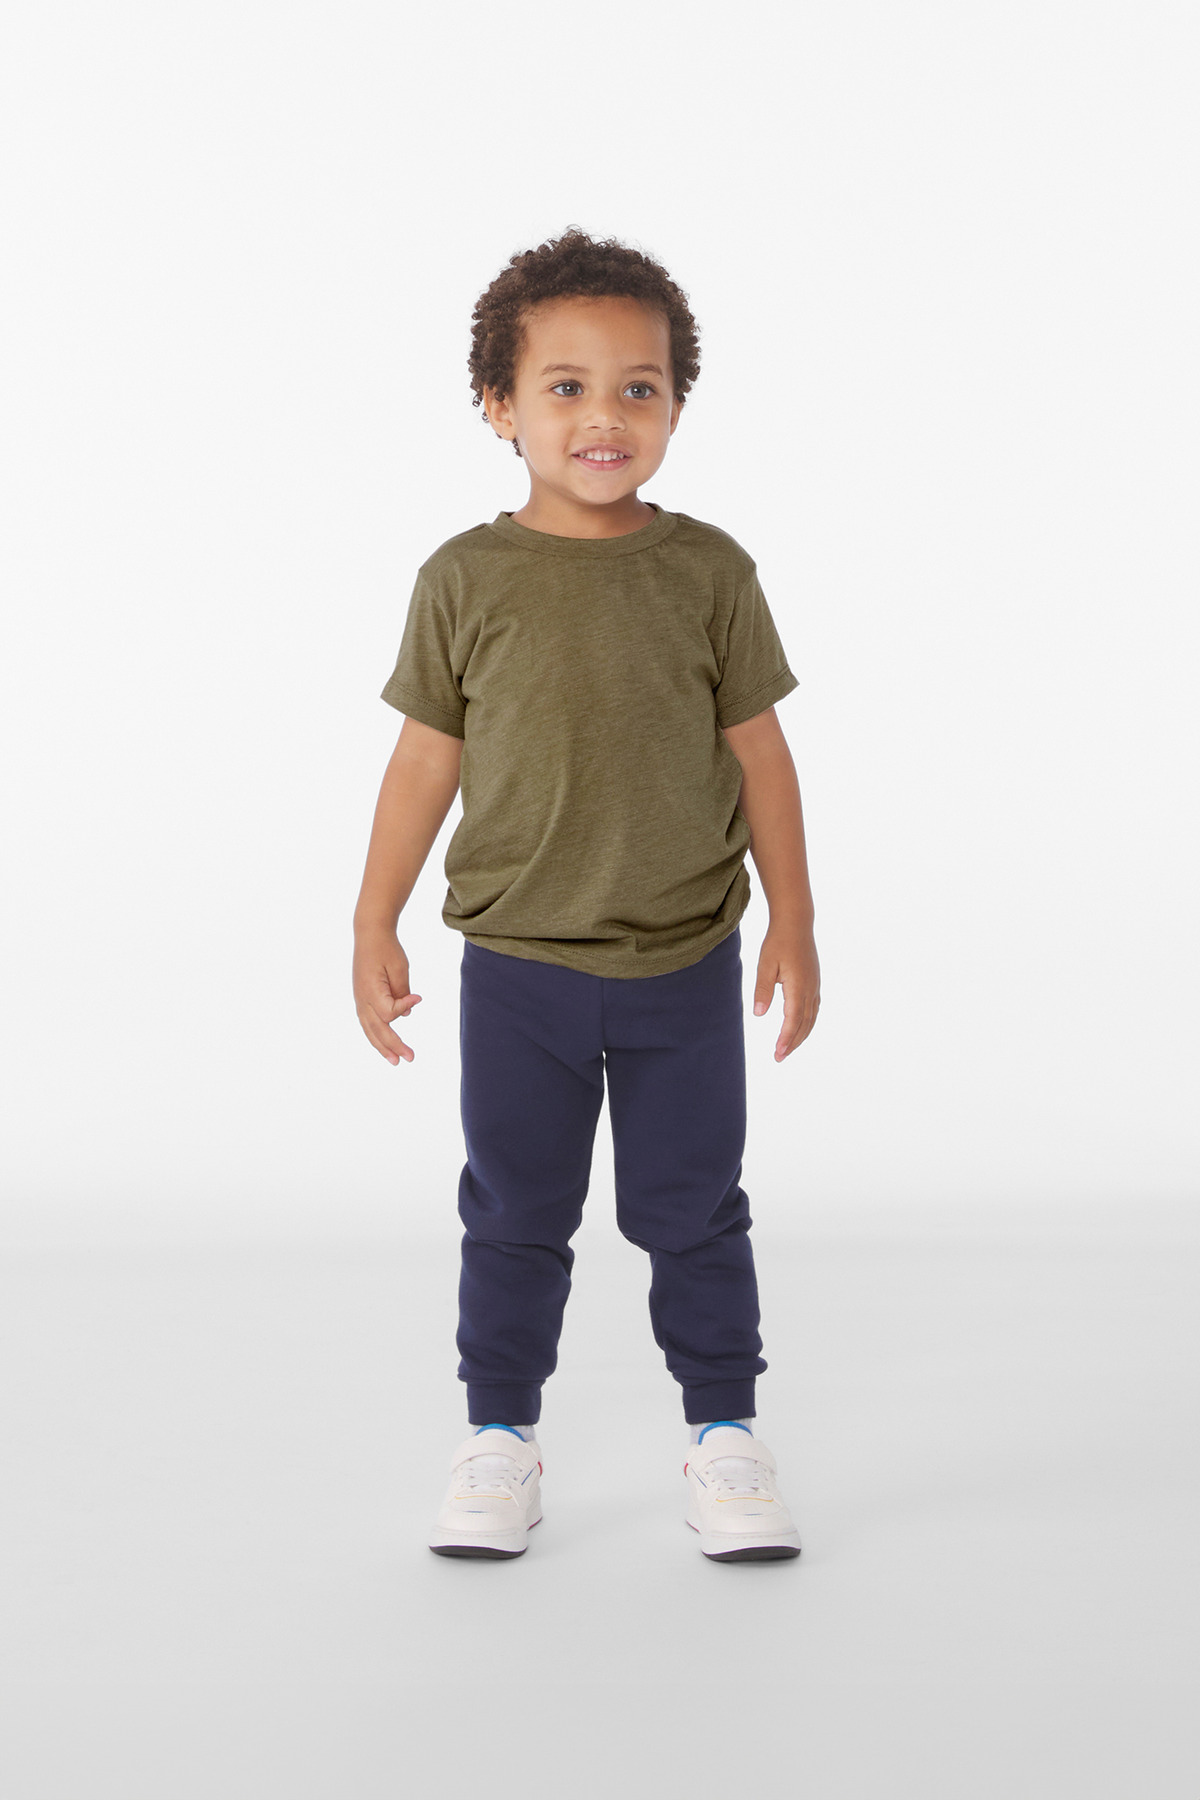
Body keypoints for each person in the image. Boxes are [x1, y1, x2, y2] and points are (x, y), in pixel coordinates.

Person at [352, 226, 820, 1563]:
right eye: (565, 386)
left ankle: (725, 1435)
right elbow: (422, 761)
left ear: (675, 404)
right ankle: (499, 1437)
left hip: (683, 964)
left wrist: (794, 919)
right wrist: (373, 917)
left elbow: (762, 754)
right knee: (514, 1208)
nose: (605, 416)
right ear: (499, 405)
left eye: (638, 387)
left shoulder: (710, 572)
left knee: (694, 1207)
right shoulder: (464, 578)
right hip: (519, 970)